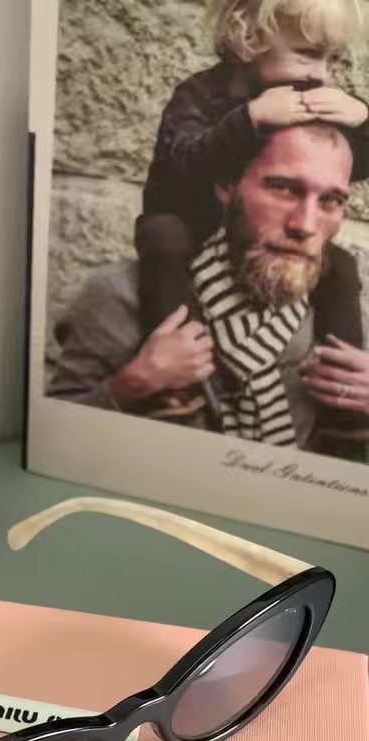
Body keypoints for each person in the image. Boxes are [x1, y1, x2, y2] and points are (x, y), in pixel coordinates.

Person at [47, 121, 369, 461]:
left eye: (331, 200)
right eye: (284, 189)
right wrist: (129, 387)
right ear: (227, 184)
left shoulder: (340, 315)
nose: (304, 225)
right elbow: (52, 442)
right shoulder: (119, 295)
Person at [136, 0, 369, 418]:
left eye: (331, 59)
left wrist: (363, 121)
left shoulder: (307, 93)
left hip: (258, 232)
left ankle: (344, 389)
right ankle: (176, 375)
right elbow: (184, 160)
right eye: (309, 53)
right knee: (163, 236)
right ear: (251, 36)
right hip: (189, 222)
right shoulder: (199, 94)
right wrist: (249, 119)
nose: (321, 73)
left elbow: (344, 165)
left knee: (343, 266)